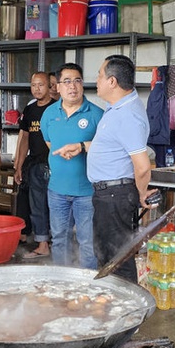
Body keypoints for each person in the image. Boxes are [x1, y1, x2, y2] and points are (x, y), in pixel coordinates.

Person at [86, 54, 157, 282]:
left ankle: (128, 313)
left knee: (118, 259)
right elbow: (113, 148)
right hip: (109, 194)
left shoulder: (128, 115)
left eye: (99, 75)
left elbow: (143, 166)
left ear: (112, 82)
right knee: (107, 256)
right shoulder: (117, 108)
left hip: (115, 196)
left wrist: (142, 192)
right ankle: (110, 305)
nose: (96, 80)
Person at [40, 63, 104, 269]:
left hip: (87, 191)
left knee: (87, 242)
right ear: (57, 87)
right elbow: (50, 145)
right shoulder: (49, 114)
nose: (72, 86)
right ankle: (62, 284)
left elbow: (107, 148)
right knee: (59, 239)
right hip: (57, 190)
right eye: (66, 81)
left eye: (77, 80)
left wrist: (82, 147)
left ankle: (87, 289)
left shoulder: (96, 114)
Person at [14, 72, 54, 259]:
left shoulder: (56, 109)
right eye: (33, 85)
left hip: (55, 165)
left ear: (50, 87)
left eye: (41, 85)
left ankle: (57, 242)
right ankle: (43, 244)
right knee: (37, 205)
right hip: (36, 165)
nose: (37, 89)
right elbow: (24, 140)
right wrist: (19, 166)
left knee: (56, 205)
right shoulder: (29, 111)